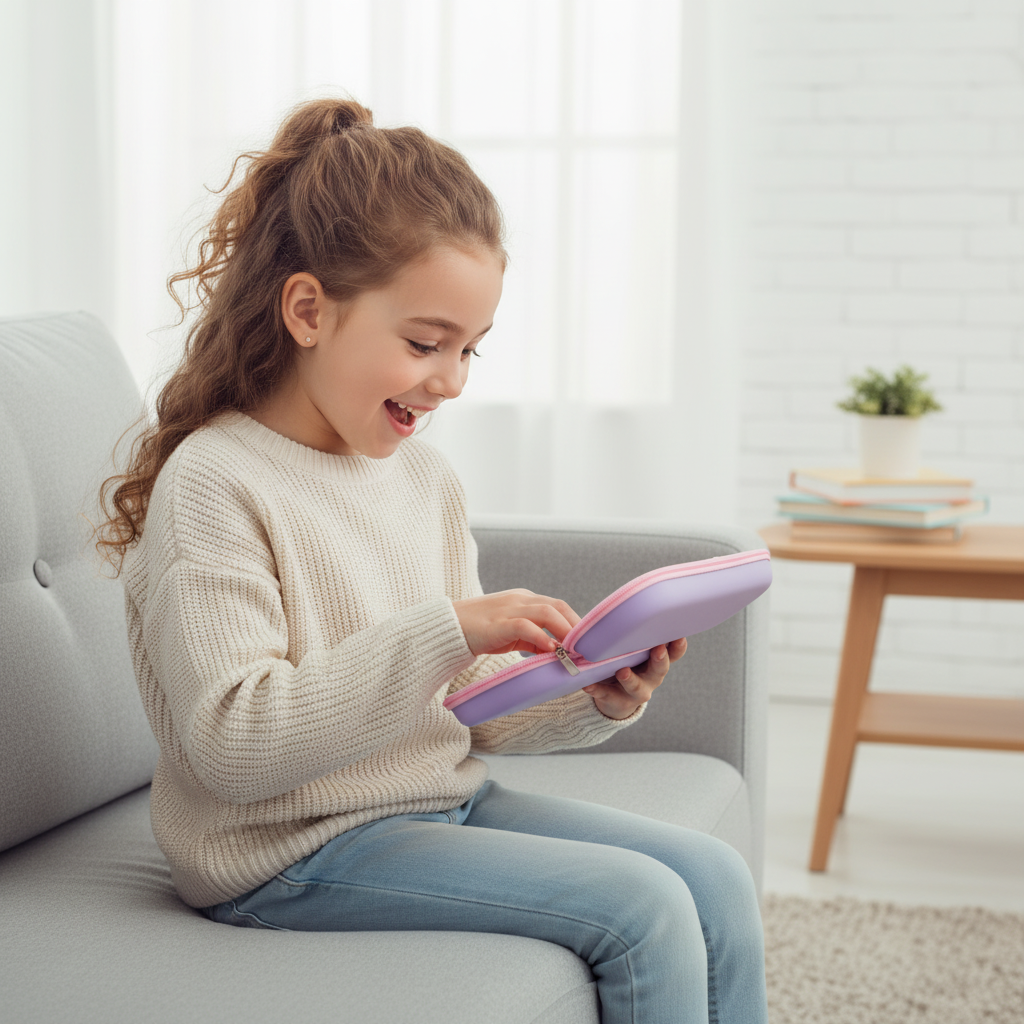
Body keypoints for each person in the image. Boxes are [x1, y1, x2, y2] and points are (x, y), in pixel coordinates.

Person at [96, 97, 768, 1024]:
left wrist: (593, 695)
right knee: (643, 909)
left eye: (469, 350)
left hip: (433, 802)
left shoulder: (424, 479)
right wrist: (447, 629)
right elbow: (234, 747)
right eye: (424, 344)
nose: (450, 380)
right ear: (308, 311)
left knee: (712, 876)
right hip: (285, 850)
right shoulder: (215, 483)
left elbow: (462, 704)